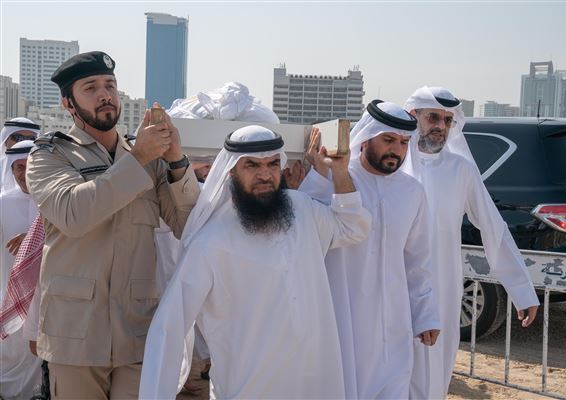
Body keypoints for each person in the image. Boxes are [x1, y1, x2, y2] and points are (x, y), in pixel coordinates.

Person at [139, 125, 371, 399]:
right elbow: (170, 326)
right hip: (247, 388)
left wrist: (341, 172)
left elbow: (352, 227)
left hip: (316, 383)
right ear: (231, 171)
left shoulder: (301, 209)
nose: (265, 174)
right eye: (252, 165)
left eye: (273, 164)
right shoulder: (211, 242)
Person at [25, 51, 200, 398]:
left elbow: (189, 225)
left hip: (136, 332)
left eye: (110, 86)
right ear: (68, 103)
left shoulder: (147, 158)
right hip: (75, 337)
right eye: (90, 87)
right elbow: (75, 214)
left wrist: (177, 161)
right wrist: (138, 159)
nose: (105, 94)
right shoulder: (49, 154)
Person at [298, 100, 440, 399]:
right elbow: (306, 231)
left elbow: (418, 259)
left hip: (394, 321)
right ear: (365, 140)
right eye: (388, 140)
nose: (397, 150)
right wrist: (324, 174)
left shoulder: (412, 191)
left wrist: (425, 314)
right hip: (342, 314)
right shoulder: (334, 176)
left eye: (403, 142)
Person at [405, 86, 539, 399]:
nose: (440, 125)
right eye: (432, 117)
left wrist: (522, 289)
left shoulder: (461, 169)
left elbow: (493, 227)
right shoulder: (392, 163)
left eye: (447, 120)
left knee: (433, 370)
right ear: (414, 117)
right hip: (392, 284)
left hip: (441, 286)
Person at [0, 140, 42, 399]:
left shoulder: (53, 201)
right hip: (7, 292)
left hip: (43, 299)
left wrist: (35, 238)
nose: (22, 173)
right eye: (17, 167)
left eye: (28, 166)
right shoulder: (2, 203)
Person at [0, 118, 39, 194]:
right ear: (5, 141)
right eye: (18, 138)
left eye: (31, 138)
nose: (24, 142)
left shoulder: (45, 168)